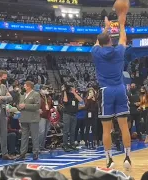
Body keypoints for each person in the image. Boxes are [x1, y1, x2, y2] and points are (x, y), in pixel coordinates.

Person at [91, 14, 131, 170]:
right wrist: (121, 24)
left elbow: (97, 42)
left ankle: (109, 160)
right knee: (124, 127)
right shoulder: (119, 51)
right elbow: (123, 39)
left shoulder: (96, 52)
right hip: (120, 89)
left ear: (100, 44)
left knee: (106, 129)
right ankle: (127, 157)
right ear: (110, 41)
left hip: (105, 90)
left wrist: (106, 27)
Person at [0, 70, 15, 163]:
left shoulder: (4, 86)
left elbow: (11, 98)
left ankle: (5, 154)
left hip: (3, 112)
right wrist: (4, 97)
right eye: (4, 78)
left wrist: (1, 97)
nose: (6, 79)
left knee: (4, 134)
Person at [16, 81, 41, 161]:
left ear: (29, 86)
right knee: (24, 137)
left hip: (33, 118)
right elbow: (18, 104)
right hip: (23, 118)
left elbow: (37, 106)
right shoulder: (22, 94)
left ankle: (35, 153)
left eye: (24, 85)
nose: (23, 87)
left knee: (34, 136)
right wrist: (19, 106)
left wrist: (25, 106)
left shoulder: (36, 94)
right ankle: (22, 153)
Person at [61, 84, 83, 152]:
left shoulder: (74, 95)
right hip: (67, 114)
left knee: (73, 130)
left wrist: (74, 92)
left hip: (74, 114)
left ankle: (72, 144)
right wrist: (64, 91)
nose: (72, 89)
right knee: (66, 130)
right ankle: (65, 144)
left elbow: (81, 100)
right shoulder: (65, 94)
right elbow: (65, 101)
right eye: (71, 88)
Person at [39, 85, 53, 152]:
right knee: (41, 132)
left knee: (45, 132)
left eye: (47, 89)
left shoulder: (49, 97)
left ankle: (42, 146)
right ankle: (38, 147)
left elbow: (51, 106)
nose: (46, 90)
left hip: (47, 116)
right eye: (45, 89)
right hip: (41, 116)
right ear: (41, 89)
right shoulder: (38, 96)